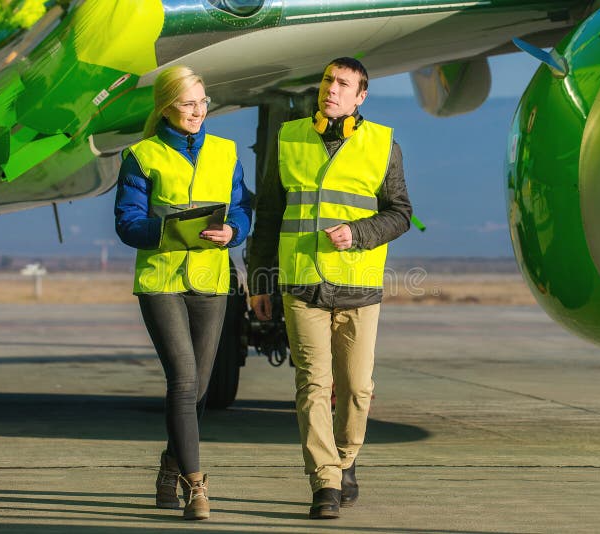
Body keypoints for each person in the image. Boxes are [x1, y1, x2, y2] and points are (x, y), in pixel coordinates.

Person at [247, 57, 411, 519]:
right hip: (301, 282)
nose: (331, 89)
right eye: (326, 80)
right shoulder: (288, 138)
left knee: (357, 389)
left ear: (360, 96)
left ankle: (345, 458)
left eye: (342, 84)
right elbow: (269, 214)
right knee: (313, 384)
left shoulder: (383, 144)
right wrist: (259, 278)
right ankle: (324, 481)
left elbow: (400, 213)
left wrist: (357, 233)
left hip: (358, 285)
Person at [114, 65, 251, 521]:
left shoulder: (226, 152)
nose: (198, 111)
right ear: (166, 107)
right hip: (162, 281)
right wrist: (168, 229)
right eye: (188, 103)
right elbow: (128, 222)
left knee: (200, 388)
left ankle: (168, 469)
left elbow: (243, 208)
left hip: (211, 281)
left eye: (203, 102)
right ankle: (196, 485)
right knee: (184, 380)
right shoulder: (141, 156)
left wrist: (233, 231)